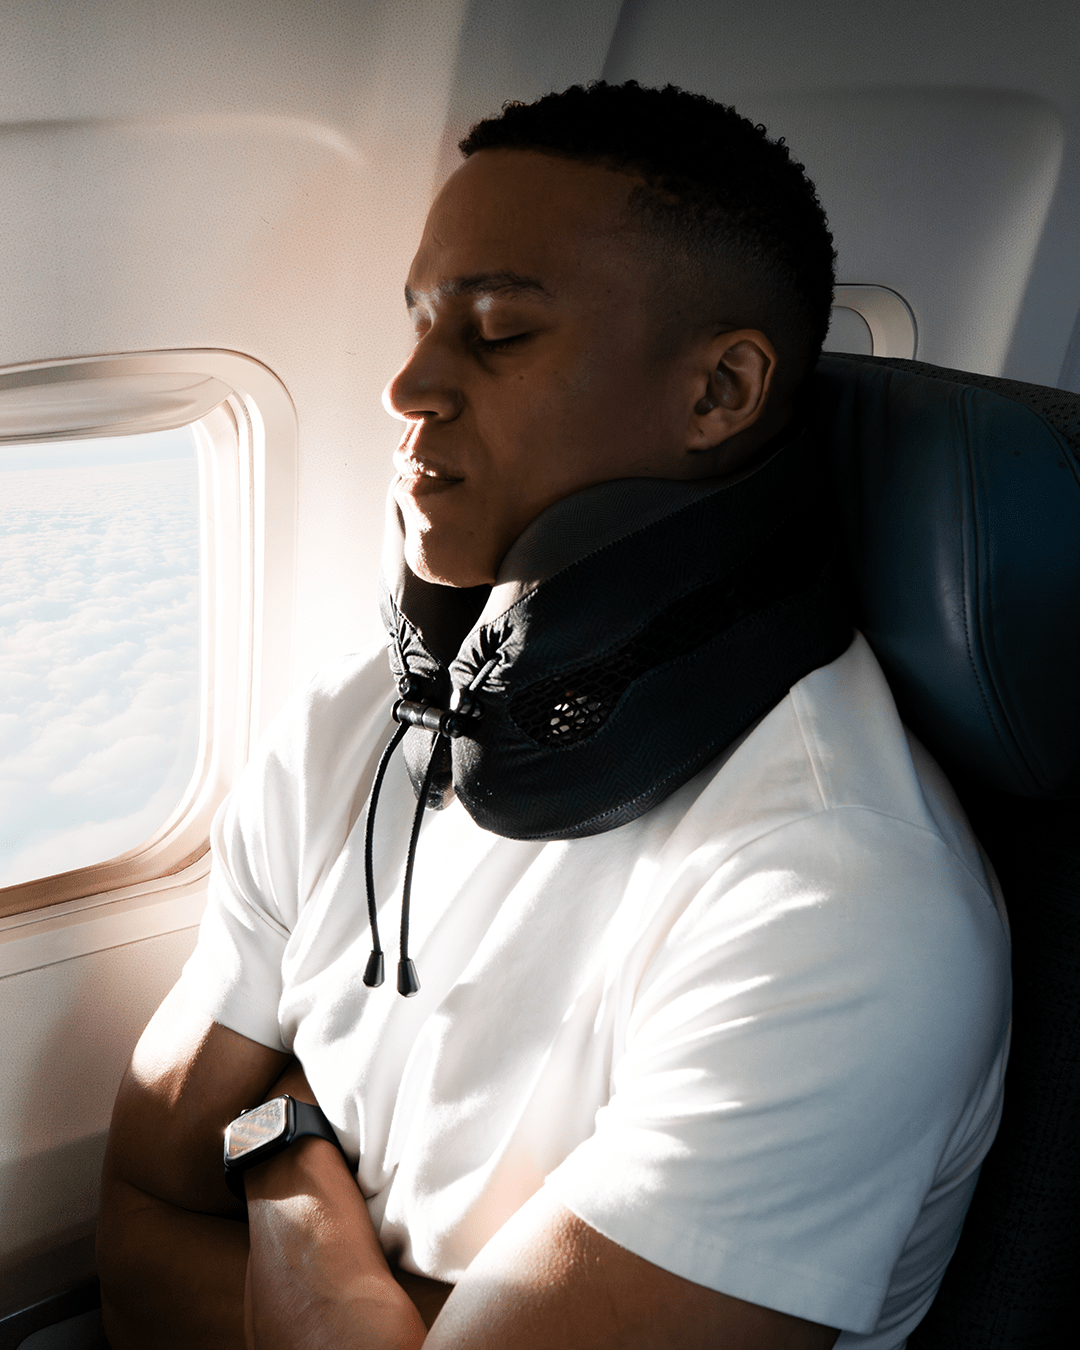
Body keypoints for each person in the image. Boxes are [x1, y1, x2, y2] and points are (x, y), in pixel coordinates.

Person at [97, 82, 1011, 1350]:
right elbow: (135, 1227)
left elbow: (187, 1213)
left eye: (495, 334)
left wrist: (270, 1147)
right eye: (415, 326)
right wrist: (301, 1174)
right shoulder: (348, 723)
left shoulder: (835, 893)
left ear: (719, 392)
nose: (407, 387)